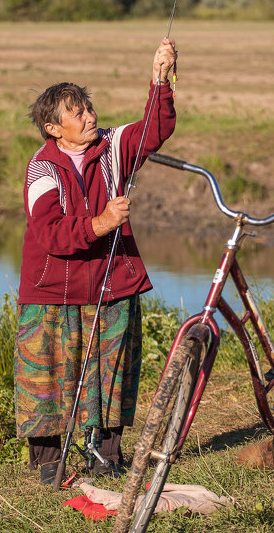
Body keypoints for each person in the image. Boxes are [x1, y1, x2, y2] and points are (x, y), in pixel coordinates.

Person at [14, 37, 177, 483]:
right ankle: (48, 467)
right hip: (53, 292)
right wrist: (102, 223)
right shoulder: (41, 170)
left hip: (111, 284)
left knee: (113, 373)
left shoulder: (114, 145)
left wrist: (160, 80)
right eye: (77, 112)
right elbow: (49, 235)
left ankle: (106, 459)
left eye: (88, 107)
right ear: (53, 128)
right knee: (46, 377)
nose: (90, 116)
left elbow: (154, 129)